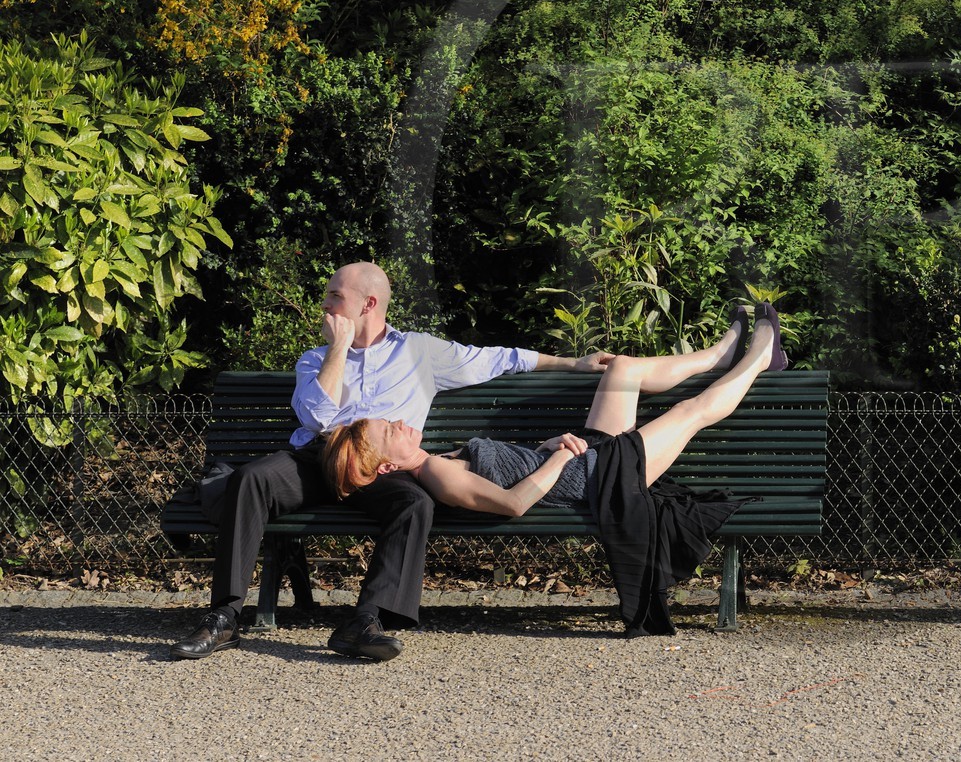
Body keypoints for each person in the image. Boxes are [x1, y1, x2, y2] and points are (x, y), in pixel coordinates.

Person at [168, 261, 613, 662]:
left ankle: (365, 621)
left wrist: (573, 363)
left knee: (415, 504)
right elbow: (316, 417)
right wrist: (339, 349)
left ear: (368, 304)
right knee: (252, 479)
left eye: (335, 295)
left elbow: (497, 359)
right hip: (320, 458)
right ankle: (224, 618)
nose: (325, 304)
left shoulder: (419, 352)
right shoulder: (314, 359)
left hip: (383, 468)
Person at [322, 301, 788, 636]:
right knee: (691, 411)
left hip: (587, 458)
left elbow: (508, 467)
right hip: (599, 477)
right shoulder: (437, 475)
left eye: (392, 420)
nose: (401, 423)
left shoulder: (435, 461)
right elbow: (514, 502)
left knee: (623, 369)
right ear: (387, 466)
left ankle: (718, 355)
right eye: (391, 430)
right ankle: (759, 357)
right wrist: (562, 456)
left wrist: (545, 448)